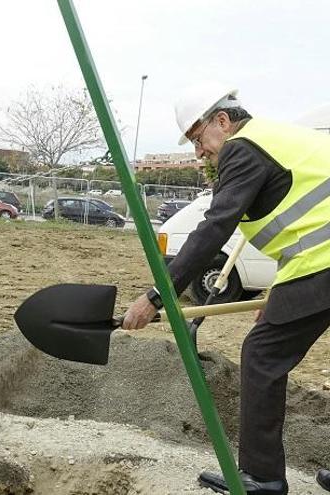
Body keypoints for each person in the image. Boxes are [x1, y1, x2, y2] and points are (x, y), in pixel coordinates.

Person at [121, 81, 330, 495]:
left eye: (199, 138)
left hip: (323, 265)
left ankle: (262, 477)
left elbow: (216, 227)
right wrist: (279, 294)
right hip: (316, 264)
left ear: (222, 120)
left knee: (262, 355)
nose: (199, 151)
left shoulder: (244, 147)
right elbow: (307, 222)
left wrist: (156, 296)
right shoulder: (278, 138)